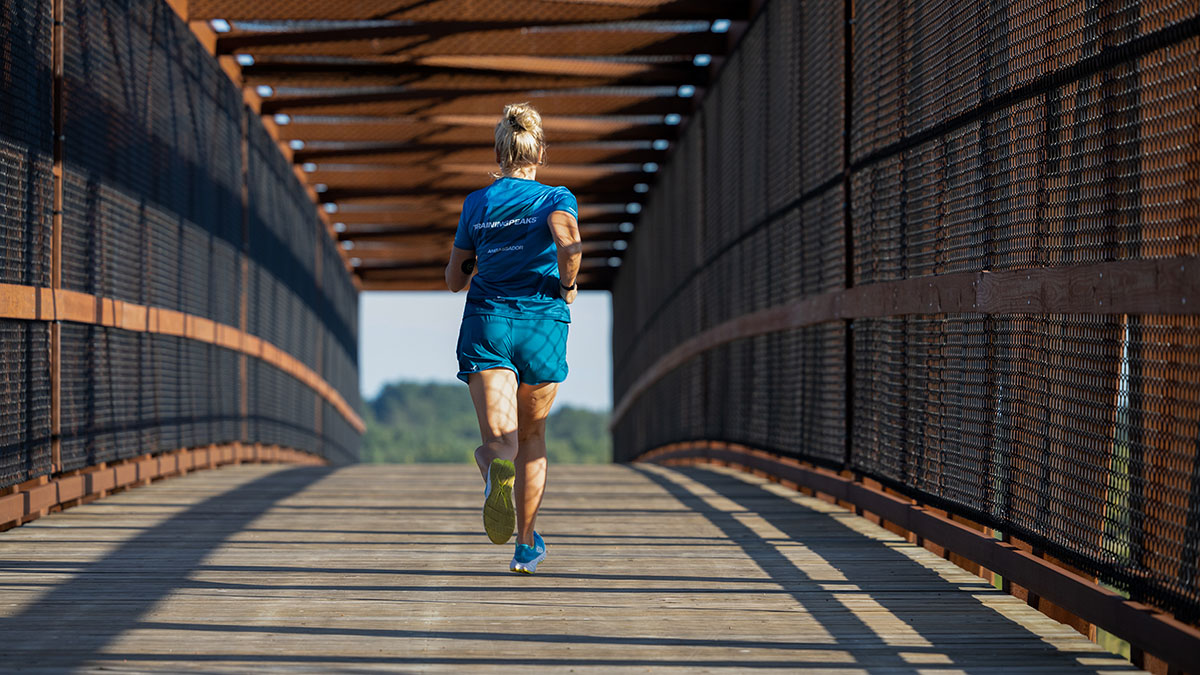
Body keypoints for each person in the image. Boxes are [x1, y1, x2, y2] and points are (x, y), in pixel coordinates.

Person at [445, 102, 581, 575]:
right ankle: (525, 545)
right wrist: (567, 286)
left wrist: (477, 257)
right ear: (539, 151)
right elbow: (569, 246)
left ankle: (491, 467)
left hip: (489, 323)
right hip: (543, 325)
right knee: (533, 436)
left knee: (501, 442)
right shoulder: (555, 198)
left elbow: (454, 278)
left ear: (499, 151)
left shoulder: (477, 203)